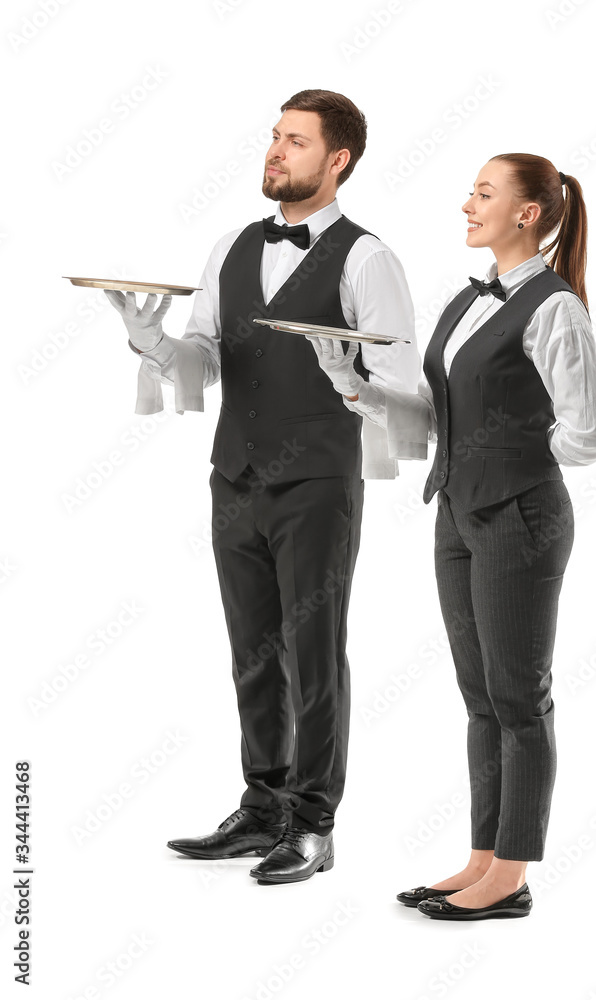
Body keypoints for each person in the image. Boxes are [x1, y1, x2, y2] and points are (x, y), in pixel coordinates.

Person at [104, 89, 420, 884]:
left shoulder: (367, 258)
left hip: (317, 480)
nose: (276, 151)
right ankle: (262, 804)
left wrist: (350, 378)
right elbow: (202, 359)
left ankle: (314, 823)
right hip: (235, 476)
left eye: (296, 141)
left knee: (314, 654)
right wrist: (152, 344)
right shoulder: (231, 246)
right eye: (275, 137)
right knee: (253, 650)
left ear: (337, 159)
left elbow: (400, 383)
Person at [307, 153, 596, 918]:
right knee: (480, 699)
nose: (466, 204)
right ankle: (481, 857)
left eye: (483, 193)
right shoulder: (467, 299)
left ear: (527, 213)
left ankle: (510, 876)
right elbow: (437, 420)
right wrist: (352, 381)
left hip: (520, 515)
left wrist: (514, 457)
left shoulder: (553, 306)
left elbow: (590, 434)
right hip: (455, 511)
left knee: (519, 699)